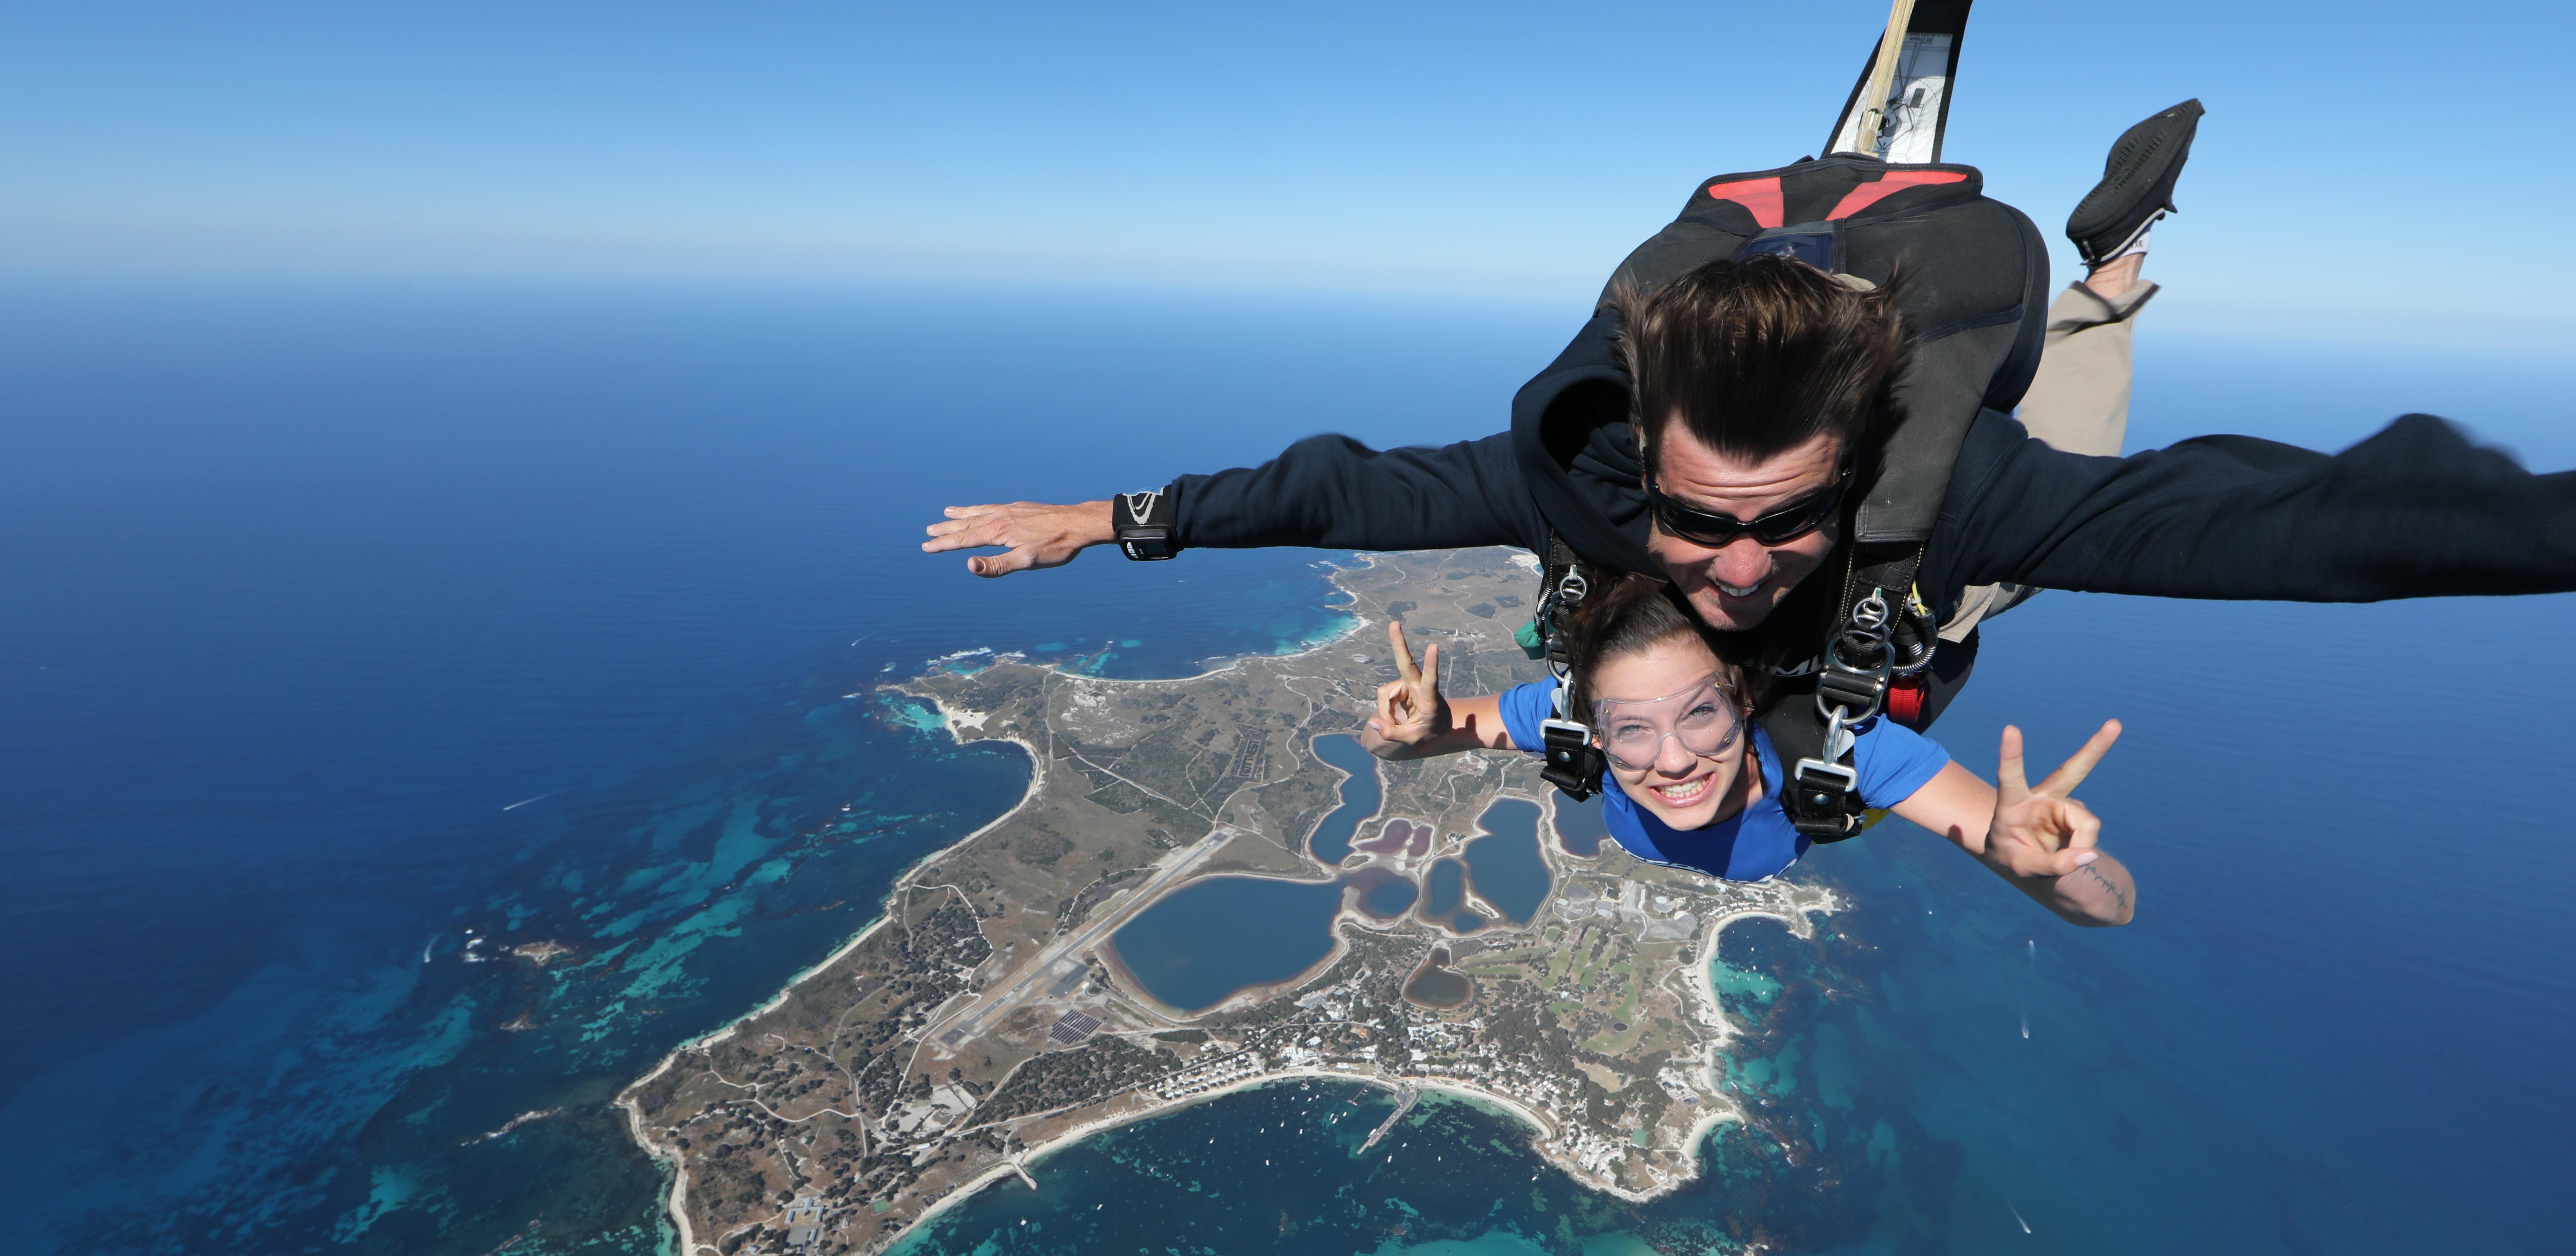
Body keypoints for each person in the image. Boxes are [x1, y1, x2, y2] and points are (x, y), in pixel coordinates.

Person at [921, 101, 2576, 758]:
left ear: (1843, 471)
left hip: (1940, 520)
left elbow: (2283, 532)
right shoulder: (1586, 483)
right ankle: (1892, 235)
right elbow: (1349, 489)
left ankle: (2108, 265)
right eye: (1700, 520)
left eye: (1782, 520)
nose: (1734, 563)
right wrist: (1112, 518)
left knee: (2046, 459)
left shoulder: (1945, 497)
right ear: (1646, 469)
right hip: (1836, 463)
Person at [1355, 586, 2134, 928]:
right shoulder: (1562, 717)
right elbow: (1406, 740)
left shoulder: (1845, 756)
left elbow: (2115, 905)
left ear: (1745, 701)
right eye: (1630, 729)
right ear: (1593, 729)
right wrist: (1402, 736)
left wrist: (2058, 872)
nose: (1673, 759)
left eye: (1701, 713)